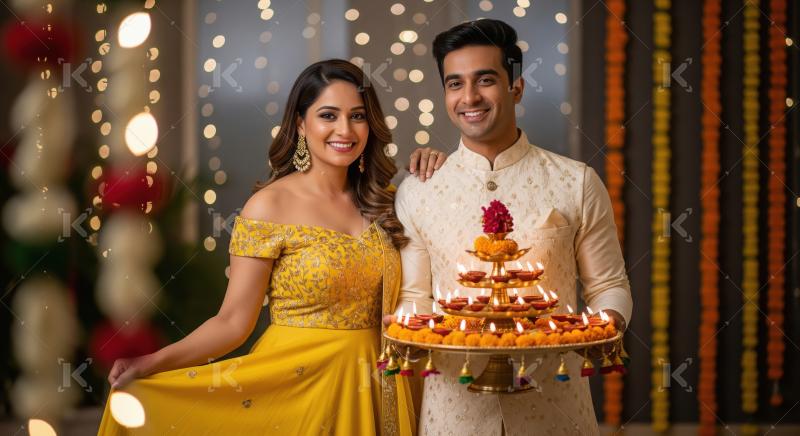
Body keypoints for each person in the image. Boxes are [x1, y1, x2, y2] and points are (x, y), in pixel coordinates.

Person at [97, 59, 446, 435]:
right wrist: (152, 362)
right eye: (328, 115)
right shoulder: (269, 206)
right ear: (301, 124)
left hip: (378, 383)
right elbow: (232, 322)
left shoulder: (389, 200)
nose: (345, 129)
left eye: (357, 116)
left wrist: (442, 167)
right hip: (297, 389)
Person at [393, 19, 633, 435]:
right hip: (453, 414)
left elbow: (609, 285)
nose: (469, 97)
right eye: (455, 84)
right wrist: (407, 332)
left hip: (556, 409)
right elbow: (416, 296)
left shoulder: (575, 181)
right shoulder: (419, 190)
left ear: (516, 87)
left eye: (485, 80)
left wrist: (606, 324)